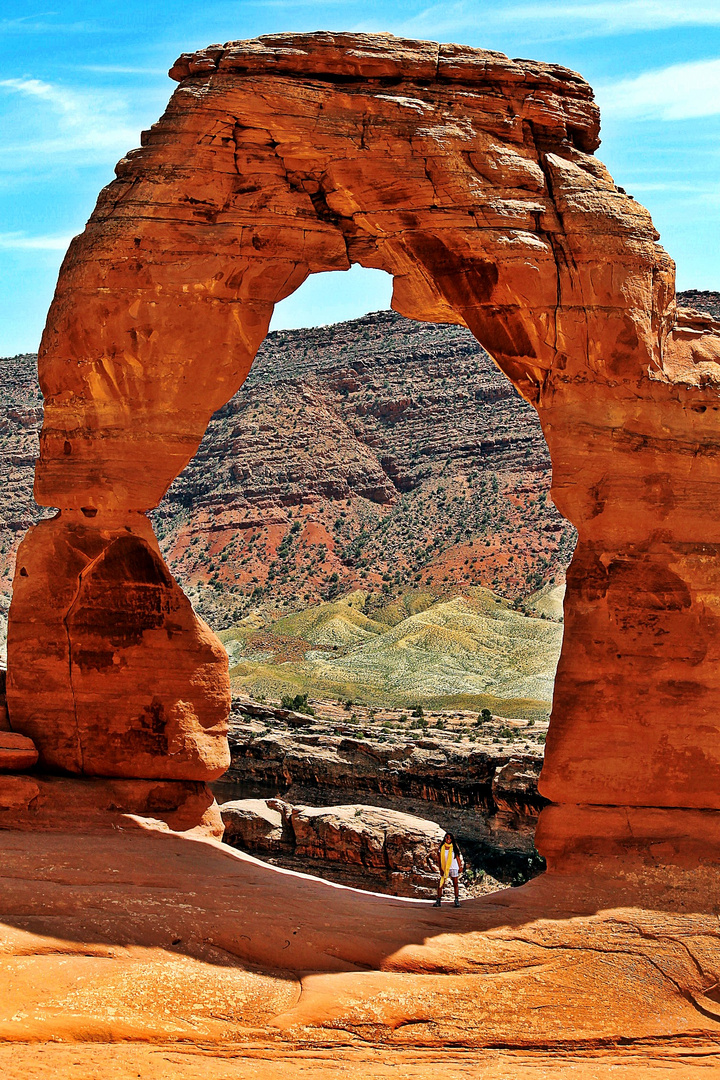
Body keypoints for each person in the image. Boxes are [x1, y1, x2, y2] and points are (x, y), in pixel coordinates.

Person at [434, 832, 463, 907]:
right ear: (444, 838)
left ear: (452, 839)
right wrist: (440, 868)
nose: (448, 839)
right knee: (440, 884)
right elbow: (439, 859)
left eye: (450, 838)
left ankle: (456, 901)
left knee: (455, 884)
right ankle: (438, 901)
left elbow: (457, 858)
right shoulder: (441, 848)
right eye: (447, 837)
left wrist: (460, 867)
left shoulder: (454, 848)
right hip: (444, 868)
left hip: (453, 867)